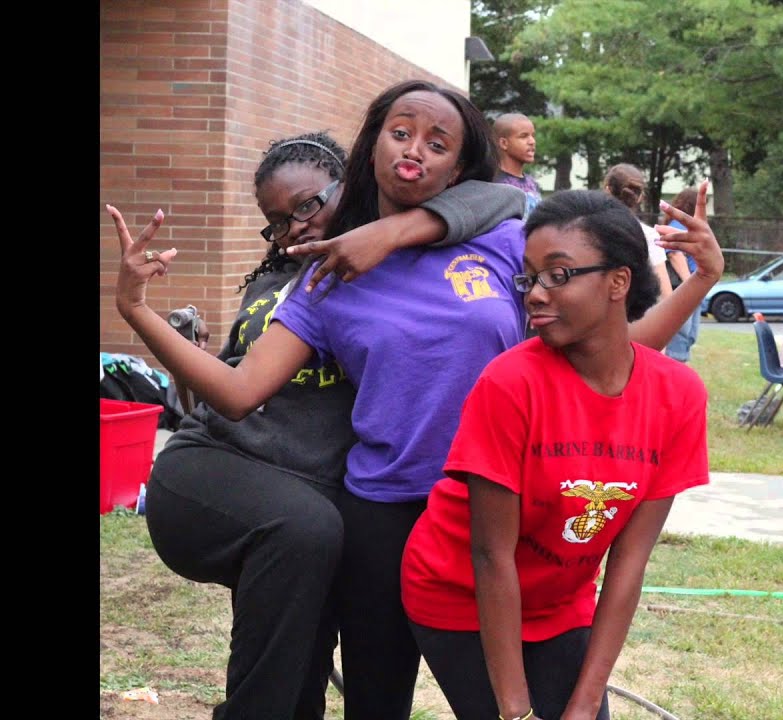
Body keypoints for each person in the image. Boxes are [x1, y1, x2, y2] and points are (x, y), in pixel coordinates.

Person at [110, 79, 724, 720]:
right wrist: (137, 310)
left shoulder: (504, 243)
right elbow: (238, 393)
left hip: (500, 511)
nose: (415, 151)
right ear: (372, 147)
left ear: (457, 167)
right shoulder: (330, 275)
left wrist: (702, 280)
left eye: (438, 143)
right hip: (385, 512)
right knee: (379, 703)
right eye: (400, 134)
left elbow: (607, 347)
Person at [117, 130, 526, 720]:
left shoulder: (395, 266)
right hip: (218, 469)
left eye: (308, 204)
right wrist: (140, 312)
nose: (296, 228)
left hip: (318, 498)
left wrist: (392, 230)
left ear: (351, 182)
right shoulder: (289, 282)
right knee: (305, 532)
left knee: (307, 614)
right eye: (278, 222)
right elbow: (227, 393)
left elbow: (500, 200)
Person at [401, 189, 710, 720]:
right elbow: (490, 556)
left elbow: (628, 562)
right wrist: (514, 710)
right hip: (459, 593)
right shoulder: (510, 384)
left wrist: (586, 702)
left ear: (618, 282)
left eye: (558, 274)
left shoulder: (677, 396)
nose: (536, 294)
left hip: (560, 604)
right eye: (530, 277)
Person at [603, 163, 674, 303]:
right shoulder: (648, 234)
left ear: (608, 190)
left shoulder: (588, 228)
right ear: (640, 197)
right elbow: (665, 293)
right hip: (633, 310)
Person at [660, 186, 701, 362]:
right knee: (681, 335)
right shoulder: (677, 227)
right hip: (681, 286)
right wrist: (691, 282)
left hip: (687, 286)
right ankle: (676, 368)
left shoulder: (684, 226)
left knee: (688, 335)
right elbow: (675, 254)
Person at [493, 112, 541, 219]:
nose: (532, 141)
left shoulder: (532, 183)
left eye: (533, 136)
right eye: (523, 136)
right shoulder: (492, 184)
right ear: (504, 143)